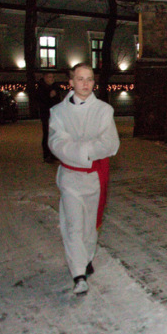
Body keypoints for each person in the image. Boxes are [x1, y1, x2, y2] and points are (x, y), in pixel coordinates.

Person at [48, 62, 120, 295]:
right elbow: (56, 143)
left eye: (89, 79)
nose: (85, 83)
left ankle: (86, 257)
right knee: (73, 225)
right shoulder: (58, 112)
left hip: (93, 179)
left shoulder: (104, 110)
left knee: (90, 227)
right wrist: (85, 150)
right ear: (71, 82)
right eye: (80, 79)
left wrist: (79, 149)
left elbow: (110, 143)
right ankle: (78, 273)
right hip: (70, 177)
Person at [37, 72, 62, 163]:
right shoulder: (41, 88)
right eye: (49, 77)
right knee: (47, 134)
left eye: (52, 77)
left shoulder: (55, 87)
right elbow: (41, 102)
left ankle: (53, 154)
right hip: (46, 115)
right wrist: (49, 96)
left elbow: (58, 101)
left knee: (55, 135)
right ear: (45, 78)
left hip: (55, 115)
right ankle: (47, 155)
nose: (52, 79)